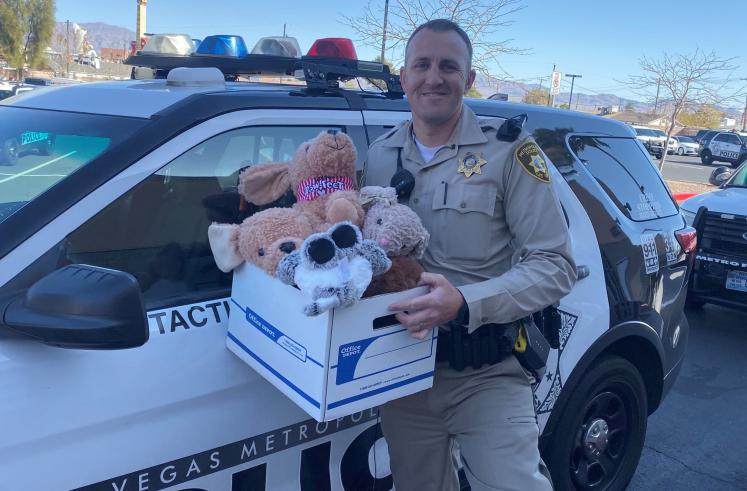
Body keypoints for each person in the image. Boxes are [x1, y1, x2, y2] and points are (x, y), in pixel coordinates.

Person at [363, 19, 577, 491]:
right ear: (404, 76)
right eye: (422, 65)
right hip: (403, 376)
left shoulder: (510, 153)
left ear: (469, 79)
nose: (433, 77)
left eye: (448, 66)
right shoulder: (380, 156)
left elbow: (556, 266)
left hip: (487, 374)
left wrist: (465, 302)